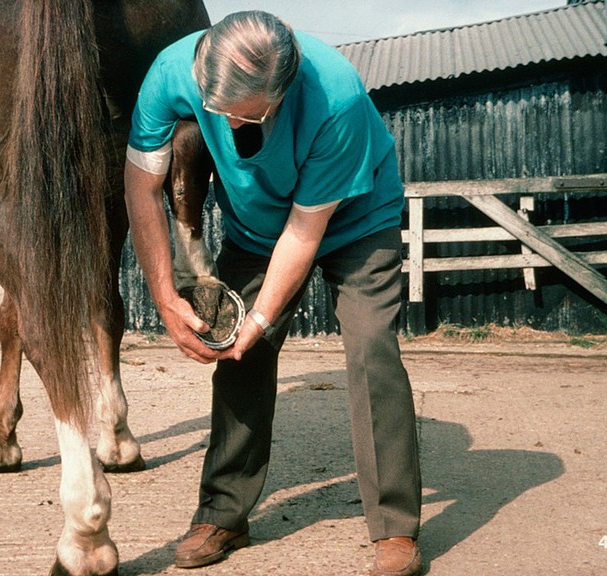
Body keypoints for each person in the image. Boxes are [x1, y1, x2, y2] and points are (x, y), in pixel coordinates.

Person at [124, 11, 422, 576]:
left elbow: (305, 232)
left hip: (356, 220)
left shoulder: (336, 97)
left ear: (282, 91)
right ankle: (224, 513)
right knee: (237, 355)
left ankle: (395, 529)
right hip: (257, 227)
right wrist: (164, 295)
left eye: (248, 115)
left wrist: (263, 317)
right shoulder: (170, 72)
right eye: (220, 113)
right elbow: (142, 188)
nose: (232, 127)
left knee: (371, 351)